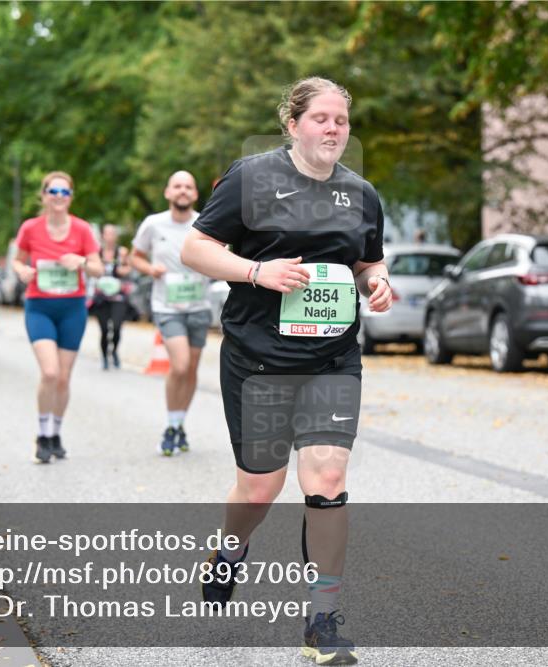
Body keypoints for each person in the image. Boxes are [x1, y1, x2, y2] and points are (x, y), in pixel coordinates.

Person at [181, 77, 392, 665]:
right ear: (293, 123)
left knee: (326, 479)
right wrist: (257, 272)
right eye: (321, 118)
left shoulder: (362, 194)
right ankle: (229, 549)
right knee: (260, 487)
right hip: (257, 358)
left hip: (332, 357)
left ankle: (321, 621)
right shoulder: (252, 178)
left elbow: (367, 262)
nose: (332, 129)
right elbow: (195, 248)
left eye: (341, 121)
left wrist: (377, 284)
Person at [12, 171, 102, 463]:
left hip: (72, 308)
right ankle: (41, 435)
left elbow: (98, 269)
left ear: (71, 197)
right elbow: (17, 259)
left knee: (63, 379)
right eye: (54, 192)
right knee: (49, 372)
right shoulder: (30, 228)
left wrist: (83, 262)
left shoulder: (82, 229)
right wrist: (21, 271)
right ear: (44, 195)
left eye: (65, 192)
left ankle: (55, 433)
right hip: (40, 306)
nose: (59, 197)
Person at [130, 171, 211, 456]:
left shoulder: (205, 223)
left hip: (199, 306)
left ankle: (178, 424)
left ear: (195, 194)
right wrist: (150, 269)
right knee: (179, 365)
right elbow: (135, 257)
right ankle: (169, 423)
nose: (183, 191)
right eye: (177, 186)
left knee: (190, 370)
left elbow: (218, 255)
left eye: (188, 186)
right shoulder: (153, 224)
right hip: (167, 307)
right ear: (167, 192)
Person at [89, 224, 132, 370]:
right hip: (101, 297)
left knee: (117, 326)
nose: (110, 236)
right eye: (107, 233)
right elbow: (89, 270)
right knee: (104, 329)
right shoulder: (96, 253)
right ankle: (104, 357)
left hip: (118, 296)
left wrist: (122, 270)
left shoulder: (122, 252)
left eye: (113, 233)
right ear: (103, 236)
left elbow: (129, 268)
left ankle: (114, 351)